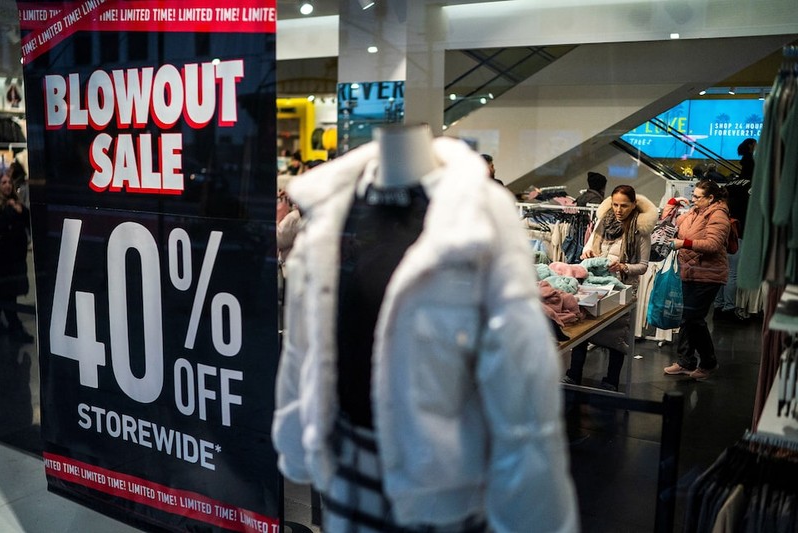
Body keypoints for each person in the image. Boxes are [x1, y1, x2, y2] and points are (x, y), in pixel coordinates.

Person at [273, 125, 578, 532]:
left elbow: (521, 373)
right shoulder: (333, 208)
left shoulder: (475, 214)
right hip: (345, 459)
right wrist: (296, 433)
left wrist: (533, 514)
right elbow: (304, 342)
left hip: (441, 479)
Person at [562, 185, 657, 391]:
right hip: (594, 285)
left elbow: (642, 266)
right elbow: (587, 247)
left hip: (622, 288)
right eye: (615, 204)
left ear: (633, 205)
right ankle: (573, 374)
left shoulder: (640, 231)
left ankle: (611, 381)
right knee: (583, 330)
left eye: (624, 205)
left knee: (617, 335)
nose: (618, 209)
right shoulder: (601, 224)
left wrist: (622, 266)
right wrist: (587, 254)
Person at [664, 179, 731, 381]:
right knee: (686, 317)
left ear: (710, 198)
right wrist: (673, 204)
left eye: (697, 197)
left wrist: (683, 243)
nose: (693, 200)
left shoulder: (718, 215)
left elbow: (713, 244)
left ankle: (709, 363)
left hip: (708, 274)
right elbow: (669, 224)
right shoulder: (695, 212)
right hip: (690, 271)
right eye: (693, 196)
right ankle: (686, 361)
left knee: (693, 318)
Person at [714, 138, 756, 321]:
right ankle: (729, 308)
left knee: (721, 271)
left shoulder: (731, 185)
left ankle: (718, 306)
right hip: (740, 232)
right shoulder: (753, 187)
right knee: (732, 273)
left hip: (722, 231)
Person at [0, 169, 33, 342]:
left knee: (7, 293)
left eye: (9, 182)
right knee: (7, 294)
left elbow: (27, 221)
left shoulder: (17, 204)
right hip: (3, 260)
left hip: (15, 259)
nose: (7, 186)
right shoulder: (3, 207)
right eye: (3, 183)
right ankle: (15, 327)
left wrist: (19, 210)